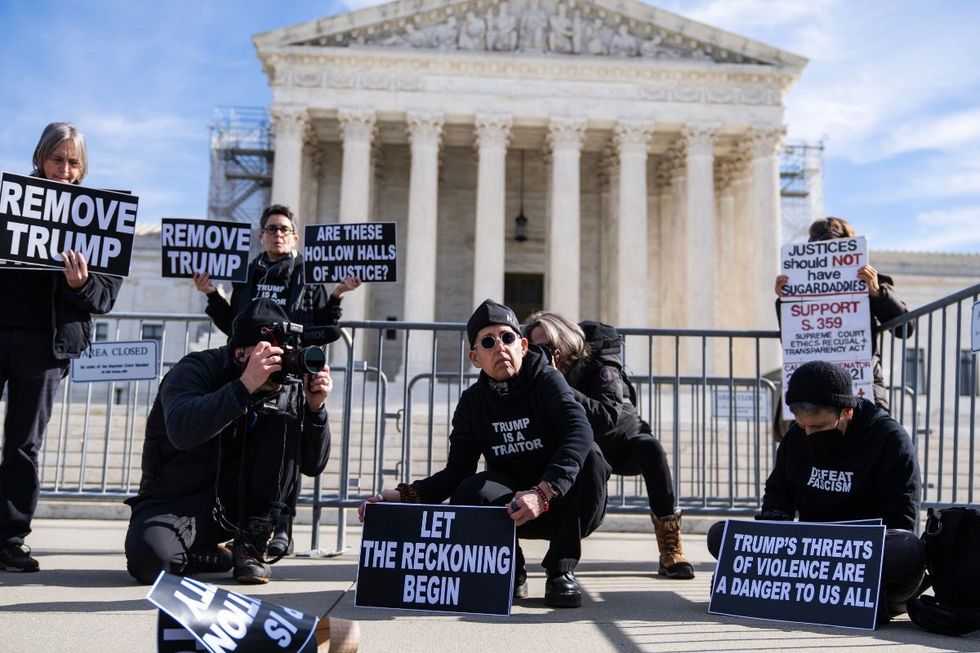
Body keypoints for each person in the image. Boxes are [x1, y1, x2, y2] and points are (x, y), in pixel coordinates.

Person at [359, 299, 611, 608]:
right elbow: (457, 473)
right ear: (475, 358)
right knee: (470, 490)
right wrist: (403, 496)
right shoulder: (473, 402)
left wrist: (543, 493)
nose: (499, 347)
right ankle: (509, 570)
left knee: (592, 457)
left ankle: (560, 570)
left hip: (564, 505)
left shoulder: (547, 380)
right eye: (488, 342)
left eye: (507, 338)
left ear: (522, 345)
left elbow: (579, 430)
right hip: (512, 510)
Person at [124, 298, 334, 585]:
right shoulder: (194, 370)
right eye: (267, 354)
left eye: (282, 353)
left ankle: (251, 545)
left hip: (238, 503)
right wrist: (245, 386)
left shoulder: (286, 386)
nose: (278, 363)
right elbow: (183, 431)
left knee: (283, 422)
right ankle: (217, 556)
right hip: (177, 498)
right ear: (240, 353)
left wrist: (315, 410)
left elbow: (313, 464)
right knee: (149, 561)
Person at [194, 203, 359, 556]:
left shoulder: (307, 275)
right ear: (261, 236)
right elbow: (232, 324)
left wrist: (337, 295)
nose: (278, 234)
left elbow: (320, 325)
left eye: (284, 229)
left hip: (291, 372)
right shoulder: (247, 274)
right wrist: (210, 294)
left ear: (294, 237)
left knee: (288, 446)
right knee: (246, 446)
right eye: (272, 229)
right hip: (249, 371)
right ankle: (240, 522)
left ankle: (282, 525)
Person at [707, 360, 925, 624]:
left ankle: (865, 597)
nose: (809, 433)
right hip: (810, 554)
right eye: (803, 426)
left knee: (908, 550)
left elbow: (901, 519)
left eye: (819, 427)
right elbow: (778, 493)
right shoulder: (796, 436)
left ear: (847, 412)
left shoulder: (890, 440)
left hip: (861, 556)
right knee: (720, 535)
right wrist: (774, 524)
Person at [0, 122, 122, 572]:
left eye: (73, 162)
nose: (64, 170)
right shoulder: (8, 204)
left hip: (45, 347)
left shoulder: (101, 217)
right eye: (57, 159)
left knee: (22, 445)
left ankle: (9, 540)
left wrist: (81, 283)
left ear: (83, 167)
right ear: (40, 158)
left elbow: (105, 297)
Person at [525, 312, 694, 580]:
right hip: (579, 446)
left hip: (620, 441)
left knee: (651, 450)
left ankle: (670, 547)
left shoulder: (601, 364)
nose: (546, 355)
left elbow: (607, 418)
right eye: (538, 349)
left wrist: (559, 385)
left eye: (551, 347)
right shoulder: (536, 374)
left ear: (566, 341)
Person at [775, 217, 913, 412]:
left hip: (862, 383)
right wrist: (787, 301)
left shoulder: (870, 281)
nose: (827, 260)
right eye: (818, 249)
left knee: (866, 440)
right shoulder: (797, 287)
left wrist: (877, 293)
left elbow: (905, 329)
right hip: (815, 385)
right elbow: (792, 341)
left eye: (832, 248)